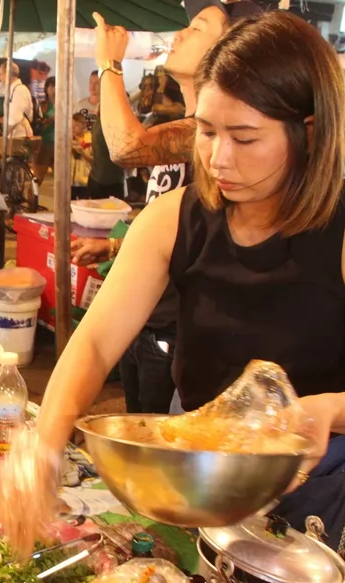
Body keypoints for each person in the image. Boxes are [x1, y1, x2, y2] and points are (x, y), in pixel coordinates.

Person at [11, 12, 345, 564]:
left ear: (309, 132)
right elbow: (95, 343)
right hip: (196, 459)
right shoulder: (171, 218)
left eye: (244, 137)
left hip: (306, 474)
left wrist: (324, 412)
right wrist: (44, 444)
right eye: (206, 131)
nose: (218, 159)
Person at [71, 1, 263, 416]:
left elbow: (125, 146)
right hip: (146, 318)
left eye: (197, 29)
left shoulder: (211, 136)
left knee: (158, 450)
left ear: (231, 48)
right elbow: (169, 220)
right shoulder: (184, 127)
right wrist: (114, 249)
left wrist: (109, 64)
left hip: (180, 333)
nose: (179, 35)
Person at [0, 61, 34, 156]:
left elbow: (14, 118)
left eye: (0, 74)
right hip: (15, 136)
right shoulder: (13, 90)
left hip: (19, 137)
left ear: (8, 74)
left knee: (13, 167)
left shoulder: (19, 90)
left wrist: (3, 137)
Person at [33, 77, 56, 186]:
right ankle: (32, 201)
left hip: (60, 145)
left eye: (55, 85)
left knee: (64, 179)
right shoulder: (44, 106)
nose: (53, 89)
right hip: (45, 144)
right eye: (50, 86)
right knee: (38, 178)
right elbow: (38, 127)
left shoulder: (64, 104)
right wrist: (50, 120)